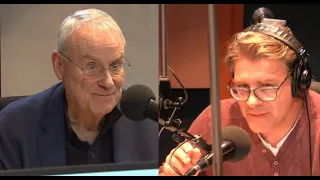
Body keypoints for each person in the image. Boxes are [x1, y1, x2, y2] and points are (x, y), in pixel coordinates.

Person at [0, 8, 158, 170]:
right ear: (59, 66)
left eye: (115, 65)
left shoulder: (150, 126)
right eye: (91, 67)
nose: (108, 82)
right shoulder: (14, 127)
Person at [159, 18, 320, 176]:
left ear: (299, 84)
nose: (251, 102)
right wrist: (173, 171)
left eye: (266, 87)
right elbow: (174, 171)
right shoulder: (216, 119)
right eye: (242, 87)